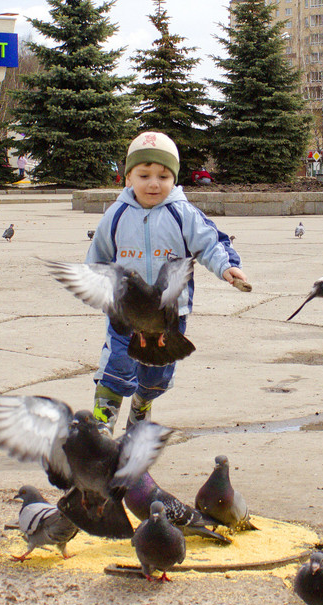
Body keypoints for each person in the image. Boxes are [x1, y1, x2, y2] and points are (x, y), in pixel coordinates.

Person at [85, 131, 248, 428]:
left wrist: (227, 267)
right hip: (127, 312)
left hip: (170, 314)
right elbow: (98, 258)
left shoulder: (183, 213)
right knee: (117, 365)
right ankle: (100, 426)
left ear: (174, 179)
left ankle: (142, 402)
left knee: (156, 374)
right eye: (144, 174)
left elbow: (211, 243)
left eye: (163, 175)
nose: (153, 183)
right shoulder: (116, 215)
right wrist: (99, 289)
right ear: (127, 178)